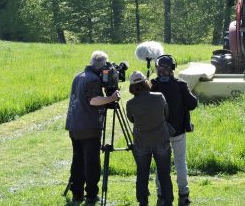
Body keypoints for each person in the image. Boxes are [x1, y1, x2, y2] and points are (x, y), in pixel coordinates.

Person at [65, 50, 120, 204]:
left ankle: (77, 194)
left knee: (78, 160)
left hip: (74, 125)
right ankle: (91, 195)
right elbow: (94, 100)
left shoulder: (79, 75)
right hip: (88, 127)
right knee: (92, 163)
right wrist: (112, 98)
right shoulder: (93, 79)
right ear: (102, 67)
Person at [151, 55, 198, 206]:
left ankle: (161, 194)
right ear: (172, 69)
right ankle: (183, 194)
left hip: (158, 132)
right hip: (178, 131)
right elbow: (192, 104)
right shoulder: (180, 85)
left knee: (160, 164)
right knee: (180, 162)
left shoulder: (153, 85)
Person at [126, 71, 174, 206]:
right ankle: (168, 202)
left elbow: (131, 119)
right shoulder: (159, 97)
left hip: (141, 142)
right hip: (161, 139)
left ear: (132, 87)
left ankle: (143, 202)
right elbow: (166, 114)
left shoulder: (130, 103)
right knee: (165, 175)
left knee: (142, 174)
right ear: (145, 82)